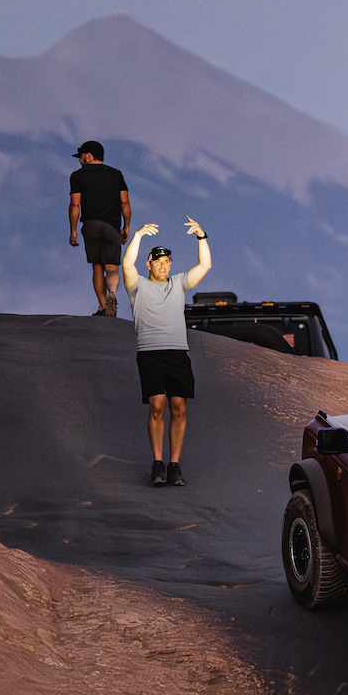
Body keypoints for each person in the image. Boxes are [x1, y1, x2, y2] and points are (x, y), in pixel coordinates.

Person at [120, 217, 212, 486]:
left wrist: (201, 236)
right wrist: (138, 236)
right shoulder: (137, 286)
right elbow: (127, 265)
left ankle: (174, 465)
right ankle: (158, 463)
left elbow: (205, 265)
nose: (163, 265)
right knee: (157, 406)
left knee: (179, 408)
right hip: (150, 353)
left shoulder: (178, 283)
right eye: (158, 261)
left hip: (177, 353)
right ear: (149, 264)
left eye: (167, 262)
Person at [68, 140, 131, 316]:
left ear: (89, 155)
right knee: (112, 267)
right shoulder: (116, 174)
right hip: (112, 226)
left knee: (97, 266)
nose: (79, 160)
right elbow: (125, 202)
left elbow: (75, 204)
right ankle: (112, 295)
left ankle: (103, 307)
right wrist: (126, 226)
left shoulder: (77, 176)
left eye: (81, 156)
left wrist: (73, 231)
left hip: (91, 225)